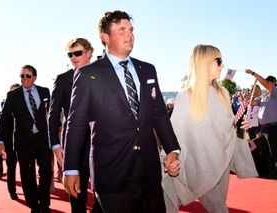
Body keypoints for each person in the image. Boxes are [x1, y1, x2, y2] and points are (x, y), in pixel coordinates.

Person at [63, 10, 180, 213]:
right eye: (122, 30)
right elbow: (76, 123)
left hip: (149, 170)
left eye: (131, 30)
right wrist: (70, 167)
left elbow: (159, 113)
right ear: (105, 37)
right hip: (111, 171)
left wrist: (172, 149)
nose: (130, 35)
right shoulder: (87, 74)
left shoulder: (148, 70)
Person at [162, 44, 258, 213]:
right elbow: (175, 133)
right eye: (218, 61)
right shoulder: (186, 96)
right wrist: (170, 157)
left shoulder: (223, 93)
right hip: (193, 165)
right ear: (204, 62)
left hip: (220, 164)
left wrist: (240, 127)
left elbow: (227, 129)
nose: (222, 66)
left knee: (218, 207)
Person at [48, 38, 102, 213]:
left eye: (77, 53)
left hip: (102, 142)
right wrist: (56, 145)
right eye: (70, 54)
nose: (73, 57)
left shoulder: (103, 76)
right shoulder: (63, 80)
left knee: (104, 194)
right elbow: (53, 115)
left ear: (89, 52)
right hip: (74, 144)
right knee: (77, 195)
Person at [0, 65, 52, 213]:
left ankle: (44, 203)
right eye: (22, 76)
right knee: (27, 176)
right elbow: (3, 118)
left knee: (46, 171)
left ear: (34, 77)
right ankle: (34, 205)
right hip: (23, 141)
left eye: (28, 76)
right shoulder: (13, 95)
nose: (24, 79)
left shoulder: (45, 92)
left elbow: (53, 113)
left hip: (42, 140)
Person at [245, 70, 277, 165]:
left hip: (274, 127)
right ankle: (272, 167)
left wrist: (253, 74)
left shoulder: (275, 92)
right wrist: (250, 95)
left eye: (268, 82)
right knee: (267, 149)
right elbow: (252, 103)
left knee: (274, 149)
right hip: (264, 128)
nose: (265, 85)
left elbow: (265, 84)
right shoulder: (263, 96)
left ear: (273, 83)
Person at [1, 83, 21, 200]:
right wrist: (1, 141)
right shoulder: (6, 107)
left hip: (25, 142)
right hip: (10, 143)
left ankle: (30, 192)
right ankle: (12, 191)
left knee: (27, 168)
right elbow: (2, 124)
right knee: (11, 167)